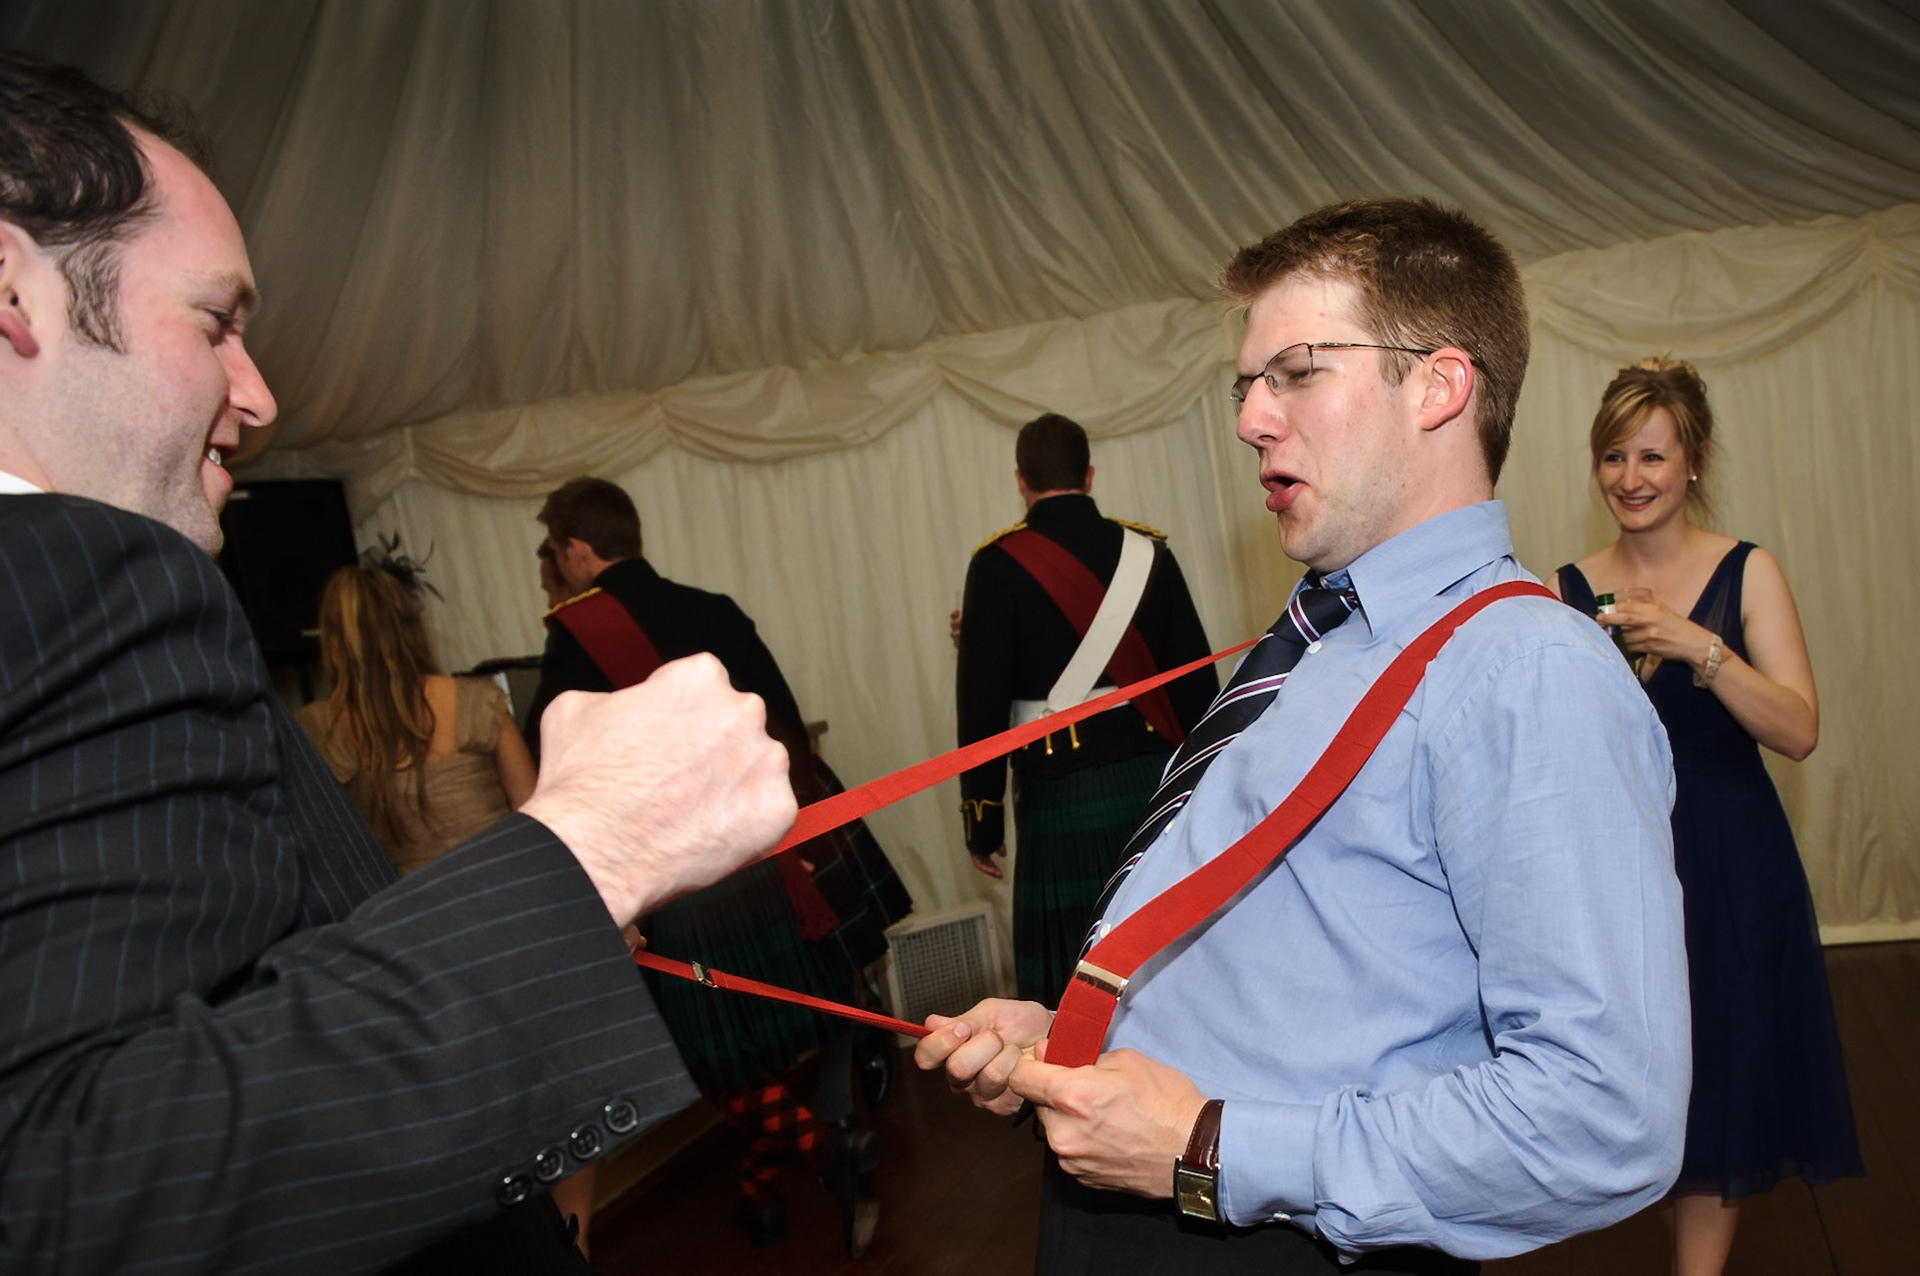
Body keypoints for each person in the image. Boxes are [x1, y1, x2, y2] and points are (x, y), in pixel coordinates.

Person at [0, 50, 795, 1274]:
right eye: (217, 320)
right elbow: (79, 1195)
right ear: (13, 286)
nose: (259, 397)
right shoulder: (98, 580)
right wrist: (596, 843)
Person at [918, 197, 1691, 1274]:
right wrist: (1076, 1040)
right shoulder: (1320, 637)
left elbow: (1606, 1118)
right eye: (1248, 384)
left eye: (1298, 370)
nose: (1249, 418)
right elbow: (1298, 970)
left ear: (1439, 384)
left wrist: (1207, 1146)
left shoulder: (1527, 670)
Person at [528, 476, 911, 1257]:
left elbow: (568, 777)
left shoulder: (575, 633)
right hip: (769, 859)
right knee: (766, 1038)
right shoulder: (712, 608)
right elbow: (788, 726)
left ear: (574, 550)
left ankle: (821, 1152)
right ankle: (764, 1191)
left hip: (684, 880)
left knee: (706, 1055)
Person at [1548, 358, 1862, 1276]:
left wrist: (1700, 648)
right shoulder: (1563, 590)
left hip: (1729, 869)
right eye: (1614, 456)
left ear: (1694, 462)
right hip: (1620, 881)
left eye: (1652, 455)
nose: (1632, 478)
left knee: (1721, 1086)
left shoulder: (1746, 570)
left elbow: (1799, 731)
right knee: (1654, 1102)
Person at [955, 413, 1216, 1005]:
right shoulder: (1149, 553)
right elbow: (1199, 682)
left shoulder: (995, 565)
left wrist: (983, 818)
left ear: (1021, 481)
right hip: (1153, 785)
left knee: (1073, 977)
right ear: (1090, 474)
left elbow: (981, 703)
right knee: (1159, 954)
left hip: (1058, 792)